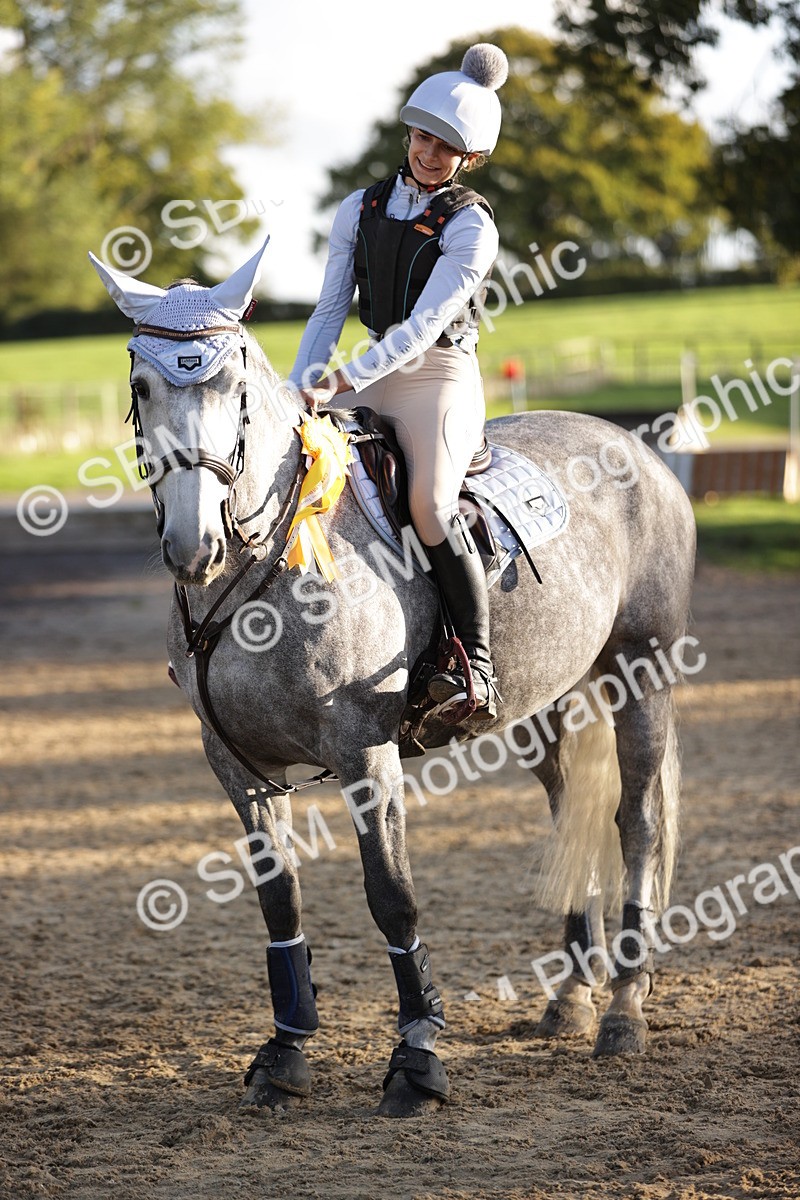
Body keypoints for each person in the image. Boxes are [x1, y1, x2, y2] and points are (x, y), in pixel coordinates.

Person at [289, 43, 508, 719]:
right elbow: (330, 309)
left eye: (447, 148)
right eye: (422, 137)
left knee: (430, 506)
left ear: (467, 158)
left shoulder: (471, 223)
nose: (429, 154)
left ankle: (477, 664)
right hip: (369, 364)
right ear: (407, 133)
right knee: (288, 457)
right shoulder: (358, 207)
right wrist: (300, 386)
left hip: (436, 373)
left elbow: (421, 326)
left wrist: (342, 378)